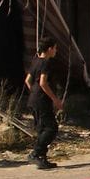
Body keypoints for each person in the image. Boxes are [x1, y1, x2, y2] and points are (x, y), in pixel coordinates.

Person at [24, 37, 62, 170]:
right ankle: (36, 153)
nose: (56, 51)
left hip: (34, 100)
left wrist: (34, 93)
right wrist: (55, 99)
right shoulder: (46, 63)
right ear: (50, 49)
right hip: (42, 101)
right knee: (51, 128)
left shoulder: (35, 61)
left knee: (41, 129)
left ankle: (42, 158)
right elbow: (43, 83)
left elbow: (28, 80)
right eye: (55, 48)